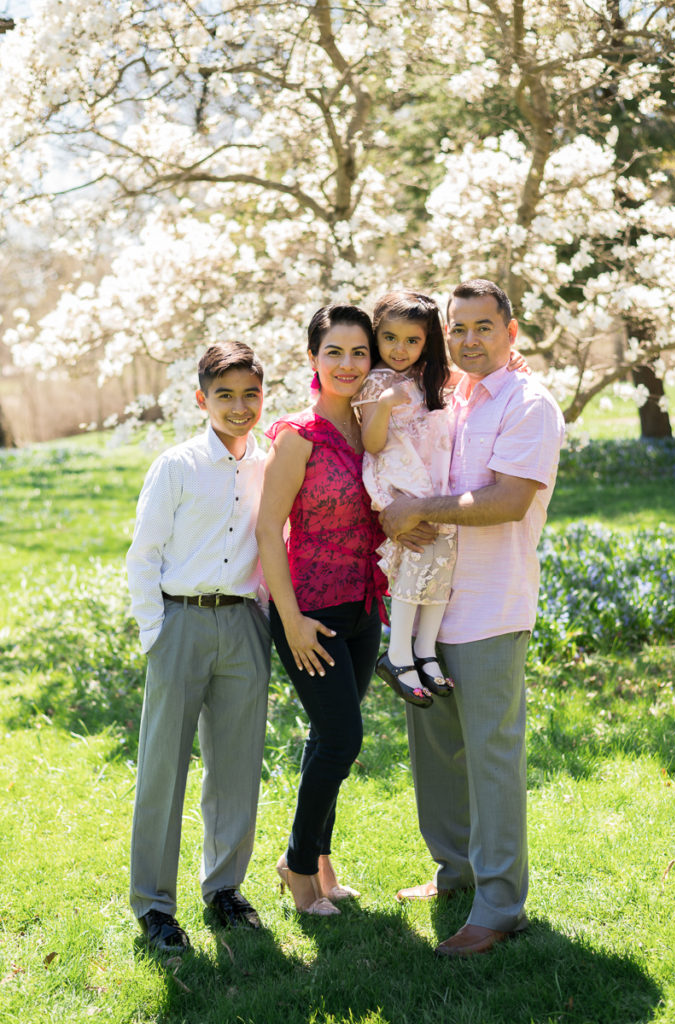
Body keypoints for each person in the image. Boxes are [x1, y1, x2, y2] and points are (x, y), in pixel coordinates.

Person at [381, 279, 564, 957]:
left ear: (510, 332)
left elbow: (508, 500)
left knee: (490, 758)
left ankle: (498, 904)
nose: (466, 340)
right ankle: (454, 871)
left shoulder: (528, 404)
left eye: (481, 327)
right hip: (430, 606)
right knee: (435, 754)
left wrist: (422, 508)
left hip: (490, 607)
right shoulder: (448, 398)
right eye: (455, 329)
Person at [126, 341, 271, 954]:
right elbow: (144, 555)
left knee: (237, 766)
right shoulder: (177, 465)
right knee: (164, 767)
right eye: (225, 396)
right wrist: (155, 634)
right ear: (201, 399)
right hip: (180, 624)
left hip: (243, 623)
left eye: (250, 395)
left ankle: (225, 889)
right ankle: (155, 905)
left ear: (264, 397)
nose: (239, 408)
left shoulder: (270, 461)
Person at [255, 304, 386, 917]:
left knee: (326, 738)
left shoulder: (377, 430)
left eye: (359, 352)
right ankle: (298, 867)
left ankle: (323, 863)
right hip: (311, 615)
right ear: (313, 359)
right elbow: (267, 532)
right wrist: (291, 620)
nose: (348, 363)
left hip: (365, 612)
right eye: (334, 351)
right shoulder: (296, 437)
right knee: (341, 738)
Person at [351, 290, 457, 708]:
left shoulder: (427, 374)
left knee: (443, 557)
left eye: (412, 341)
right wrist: (381, 404)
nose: (400, 349)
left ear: (427, 342)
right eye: (390, 338)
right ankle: (397, 655)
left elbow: (465, 379)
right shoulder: (376, 381)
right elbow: (373, 443)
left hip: (431, 482)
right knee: (414, 560)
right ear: (376, 336)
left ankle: (426, 650)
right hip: (398, 481)